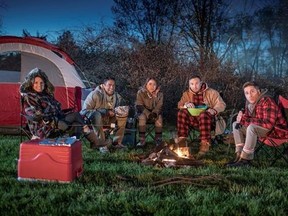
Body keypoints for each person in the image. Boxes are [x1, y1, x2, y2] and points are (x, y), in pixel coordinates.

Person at [20, 68, 105, 150]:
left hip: (57, 121)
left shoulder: (47, 95)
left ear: (45, 83)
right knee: (76, 117)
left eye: (42, 83)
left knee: (76, 122)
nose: (39, 85)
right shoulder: (30, 97)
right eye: (36, 83)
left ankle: (72, 148)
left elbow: (57, 111)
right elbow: (34, 114)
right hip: (44, 126)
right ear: (31, 83)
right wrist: (53, 119)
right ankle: (93, 139)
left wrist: (65, 113)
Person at [227, 81, 288, 167]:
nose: (250, 95)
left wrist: (244, 120)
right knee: (236, 125)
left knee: (251, 128)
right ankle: (239, 156)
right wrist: (241, 117)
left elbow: (269, 124)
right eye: (246, 93)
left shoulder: (267, 100)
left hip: (275, 131)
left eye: (252, 91)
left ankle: (245, 160)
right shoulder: (249, 103)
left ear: (258, 91)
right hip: (260, 130)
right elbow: (249, 119)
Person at [177, 75, 226, 157]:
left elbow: (222, 104)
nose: (194, 86)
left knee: (203, 114)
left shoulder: (212, 92)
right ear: (189, 85)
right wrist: (186, 104)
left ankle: (204, 145)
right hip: (193, 120)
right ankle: (182, 142)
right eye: (192, 84)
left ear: (201, 83)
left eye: (196, 83)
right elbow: (180, 105)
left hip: (208, 120)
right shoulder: (186, 94)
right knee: (182, 112)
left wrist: (214, 110)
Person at [80, 77, 128, 149]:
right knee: (96, 115)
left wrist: (119, 110)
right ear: (103, 85)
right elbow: (84, 111)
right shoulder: (94, 94)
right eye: (109, 85)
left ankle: (116, 142)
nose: (112, 87)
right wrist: (105, 112)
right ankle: (101, 144)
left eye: (114, 85)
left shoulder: (117, 97)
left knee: (123, 112)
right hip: (95, 121)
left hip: (110, 121)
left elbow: (120, 109)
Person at [135, 77, 163, 146]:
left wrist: (154, 113)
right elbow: (139, 105)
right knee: (142, 117)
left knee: (159, 118)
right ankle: (142, 140)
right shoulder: (141, 92)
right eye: (150, 84)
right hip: (142, 112)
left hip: (154, 113)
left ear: (157, 86)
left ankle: (158, 140)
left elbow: (159, 106)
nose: (152, 86)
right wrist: (148, 114)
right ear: (146, 84)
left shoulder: (160, 94)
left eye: (154, 84)